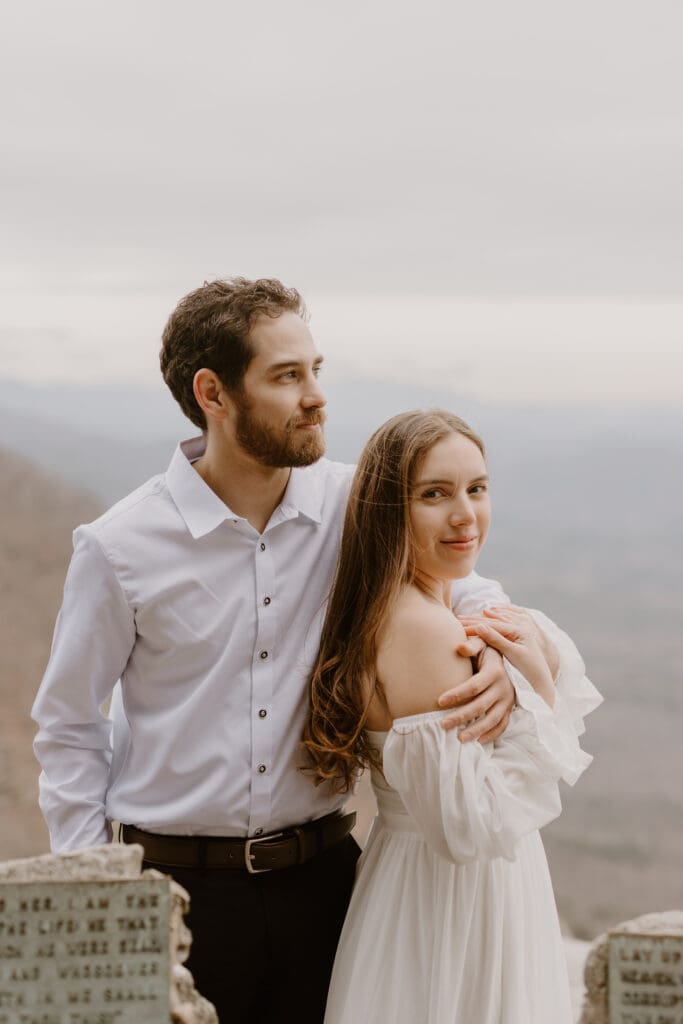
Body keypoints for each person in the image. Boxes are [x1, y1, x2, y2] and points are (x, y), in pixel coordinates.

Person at [32, 279, 524, 1023]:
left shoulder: (355, 506)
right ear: (213, 394)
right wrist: (90, 886)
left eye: (315, 370)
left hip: (328, 888)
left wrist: (501, 656)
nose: (316, 396)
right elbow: (70, 726)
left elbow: (462, 580)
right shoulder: (118, 547)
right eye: (287, 377)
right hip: (177, 898)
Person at [303, 409, 602, 1024]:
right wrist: (538, 693)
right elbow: (470, 825)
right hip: (451, 900)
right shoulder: (421, 629)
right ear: (391, 509)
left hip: (436, 884)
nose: (465, 514)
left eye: (477, 488)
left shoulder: (415, 603)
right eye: (434, 494)